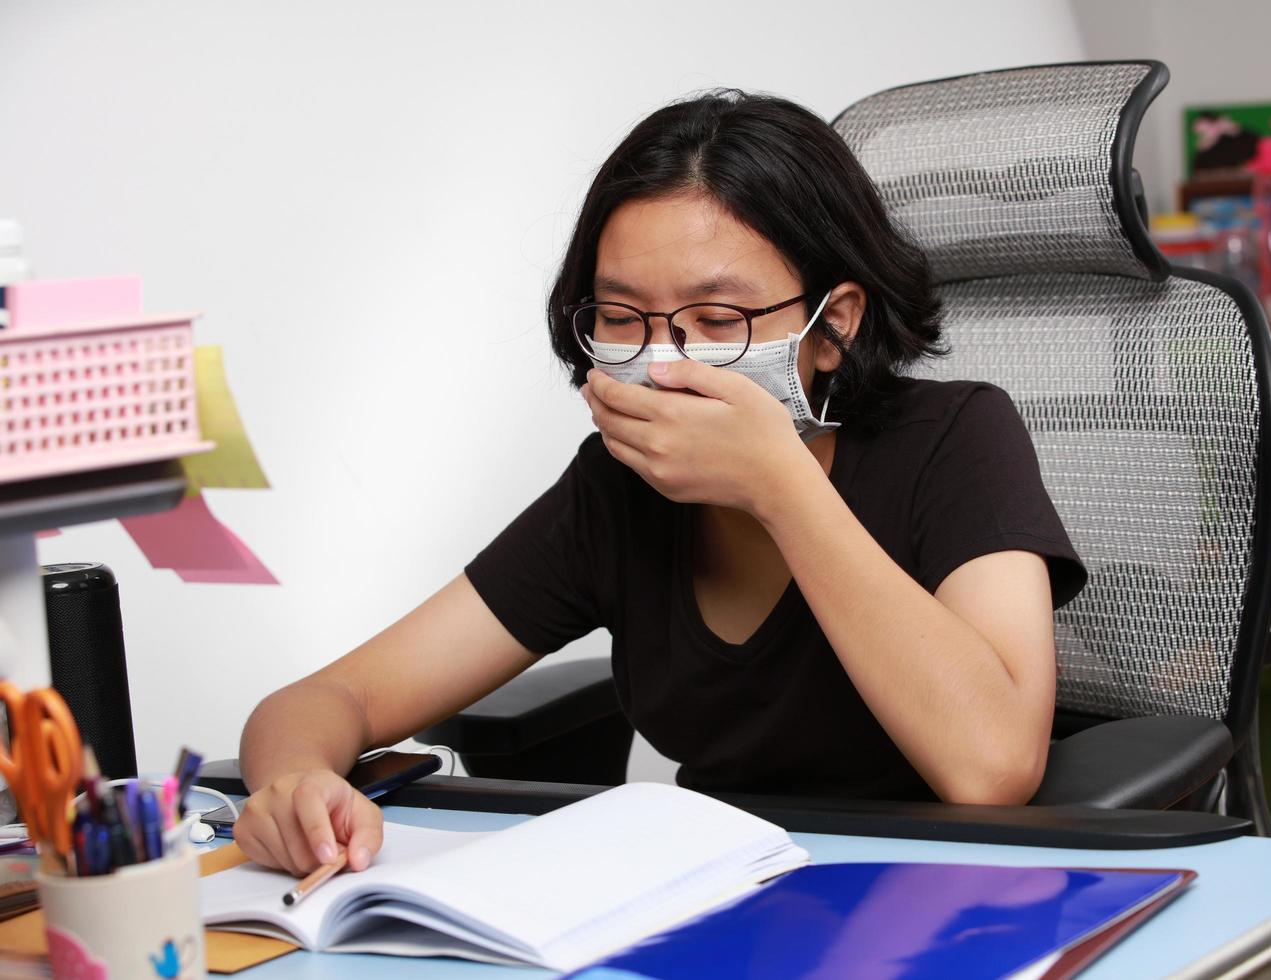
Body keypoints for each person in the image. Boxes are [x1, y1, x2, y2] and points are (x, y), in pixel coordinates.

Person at [234, 89, 1086, 877]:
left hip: (945, 887)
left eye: (717, 321)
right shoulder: (618, 489)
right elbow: (326, 697)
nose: (663, 358)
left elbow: (992, 767)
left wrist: (779, 488)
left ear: (835, 325)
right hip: (720, 893)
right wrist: (296, 786)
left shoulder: (958, 438)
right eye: (621, 317)